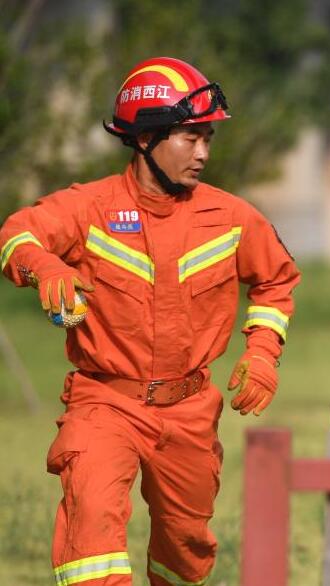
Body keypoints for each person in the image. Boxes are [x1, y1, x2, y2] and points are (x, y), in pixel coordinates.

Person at [0, 56, 300, 585]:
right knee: (90, 533)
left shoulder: (230, 217)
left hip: (189, 411)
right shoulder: (89, 207)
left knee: (186, 553)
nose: (203, 152)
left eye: (207, 138)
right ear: (144, 138)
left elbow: (276, 280)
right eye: (190, 137)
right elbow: (17, 234)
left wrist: (261, 352)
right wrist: (43, 264)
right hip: (104, 402)